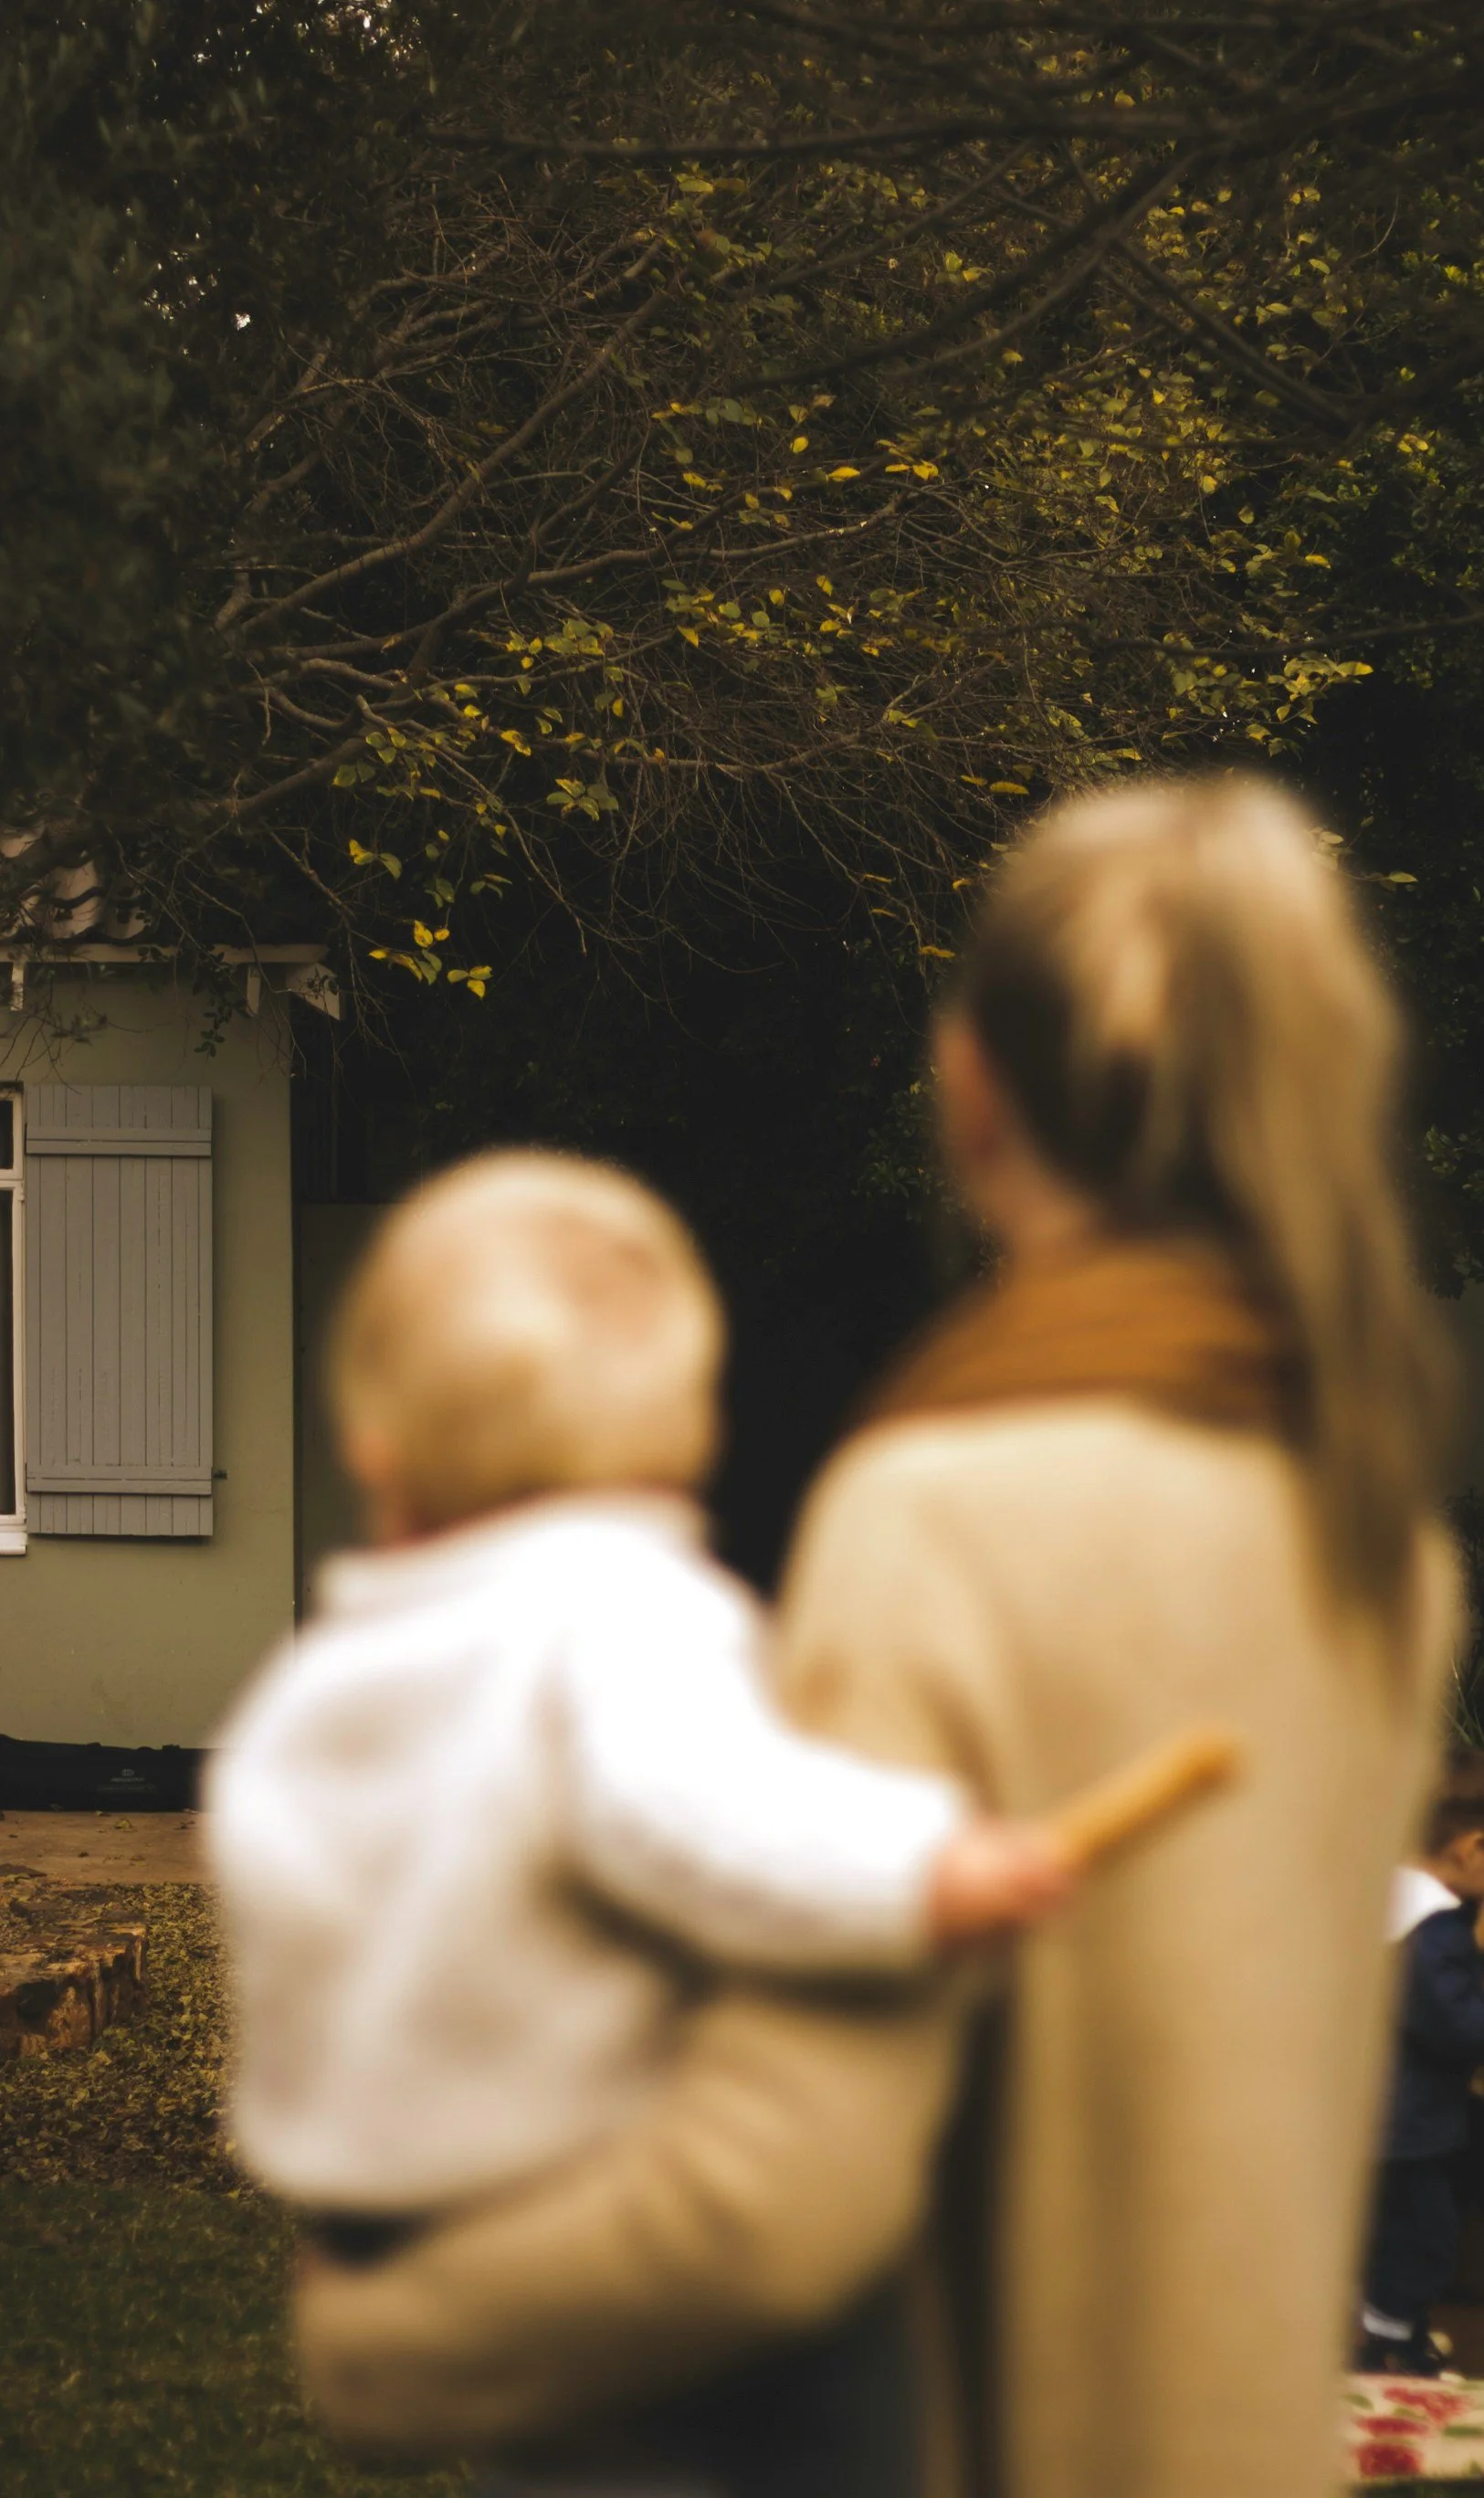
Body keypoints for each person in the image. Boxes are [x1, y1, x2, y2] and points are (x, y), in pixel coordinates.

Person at [297, 774, 1460, 2498]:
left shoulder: (941, 1509)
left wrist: (394, 2340)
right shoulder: (1373, 1542)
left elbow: (793, 2190)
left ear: (972, 1086)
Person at [206, 1156, 1069, 2382]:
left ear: (372, 1450)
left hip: (369, 2195)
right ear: (690, 1428)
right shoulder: (619, 1605)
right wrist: (920, 1865)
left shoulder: (324, 1677)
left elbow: (279, 1872)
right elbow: (706, 1817)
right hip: (567, 2188)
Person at [1358, 1757, 1484, 2377]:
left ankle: (1392, 2328)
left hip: (1388, 2115)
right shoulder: (1430, 1931)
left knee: (1399, 2234)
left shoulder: (1392, 1903)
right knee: (1423, 2239)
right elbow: (1457, 2023)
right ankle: (1386, 2344)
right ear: (1473, 1846)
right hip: (1405, 2124)